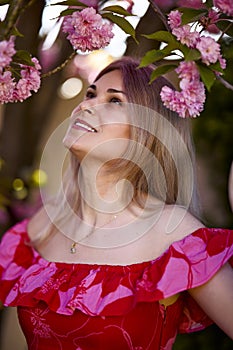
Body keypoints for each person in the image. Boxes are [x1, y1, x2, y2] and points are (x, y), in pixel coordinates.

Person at [0, 56, 233, 350]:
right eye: (91, 94)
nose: (86, 105)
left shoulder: (175, 233)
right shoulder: (42, 226)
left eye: (114, 101)